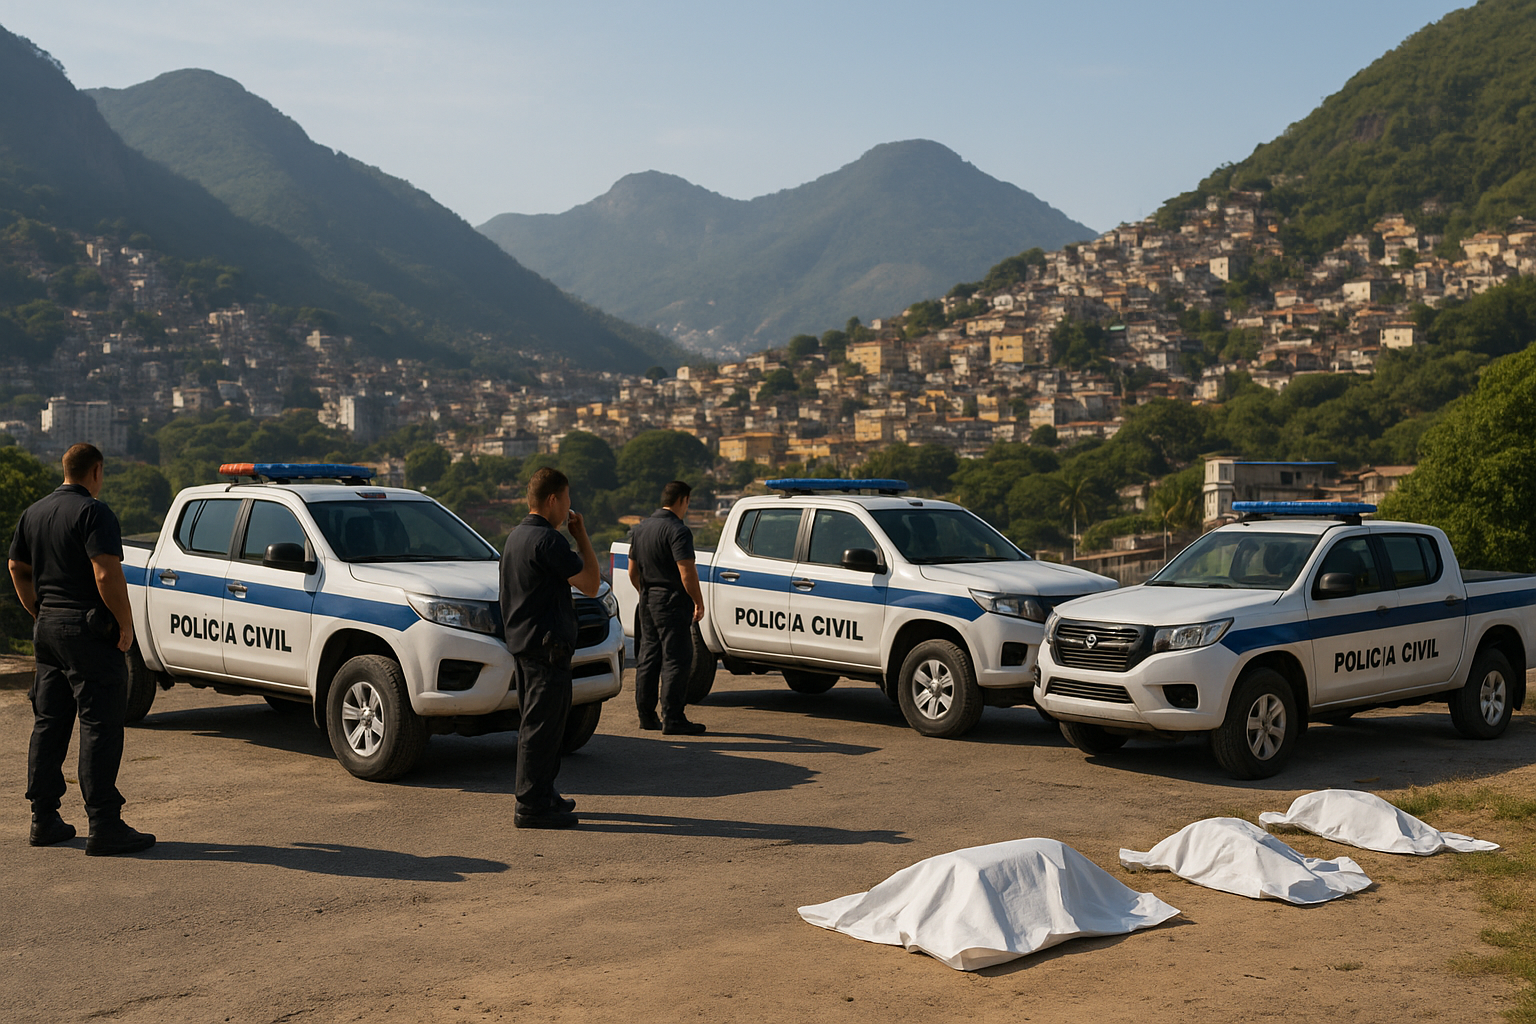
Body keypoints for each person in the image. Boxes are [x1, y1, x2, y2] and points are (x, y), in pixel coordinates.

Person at [9, 443, 155, 856]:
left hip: (48, 629)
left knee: (50, 722)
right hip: (87, 630)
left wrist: (38, 610)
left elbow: (17, 568)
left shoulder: (33, 513)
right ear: (96, 471)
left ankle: (44, 818)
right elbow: (106, 572)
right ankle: (105, 825)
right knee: (100, 725)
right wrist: (125, 625)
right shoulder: (95, 512)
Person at [500, 467, 601, 829]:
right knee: (542, 728)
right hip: (547, 648)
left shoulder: (515, 537)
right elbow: (591, 583)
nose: (570, 508)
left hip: (525, 644)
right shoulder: (549, 540)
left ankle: (544, 793)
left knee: (542, 725)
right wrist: (582, 535)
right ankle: (531, 806)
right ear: (554, 500)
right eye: (568, 500)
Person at [627, 480, 706, 735]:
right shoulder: (678, 531)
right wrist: (698, 601)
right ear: (683, 500)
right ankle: (673, 718)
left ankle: (646, 715)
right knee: (677, 658)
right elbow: (687, 572)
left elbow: (632, 571)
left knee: (648, 657)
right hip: (671, 600)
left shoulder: (641, 529)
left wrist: (646, 592)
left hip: (647, 599)